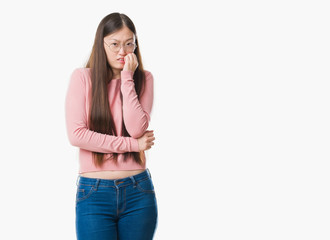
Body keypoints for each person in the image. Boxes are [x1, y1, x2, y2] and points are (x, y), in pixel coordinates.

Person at [65, 12, 157, 240]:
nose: (122, 52)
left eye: (129, 44)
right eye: (114, 44)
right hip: (94, 193)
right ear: (101, 44)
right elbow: (77, 135)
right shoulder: (82, 78)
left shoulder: (143, 79)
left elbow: (136, 128)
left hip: (139, 191)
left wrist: (127, 78)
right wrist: (133, 145)